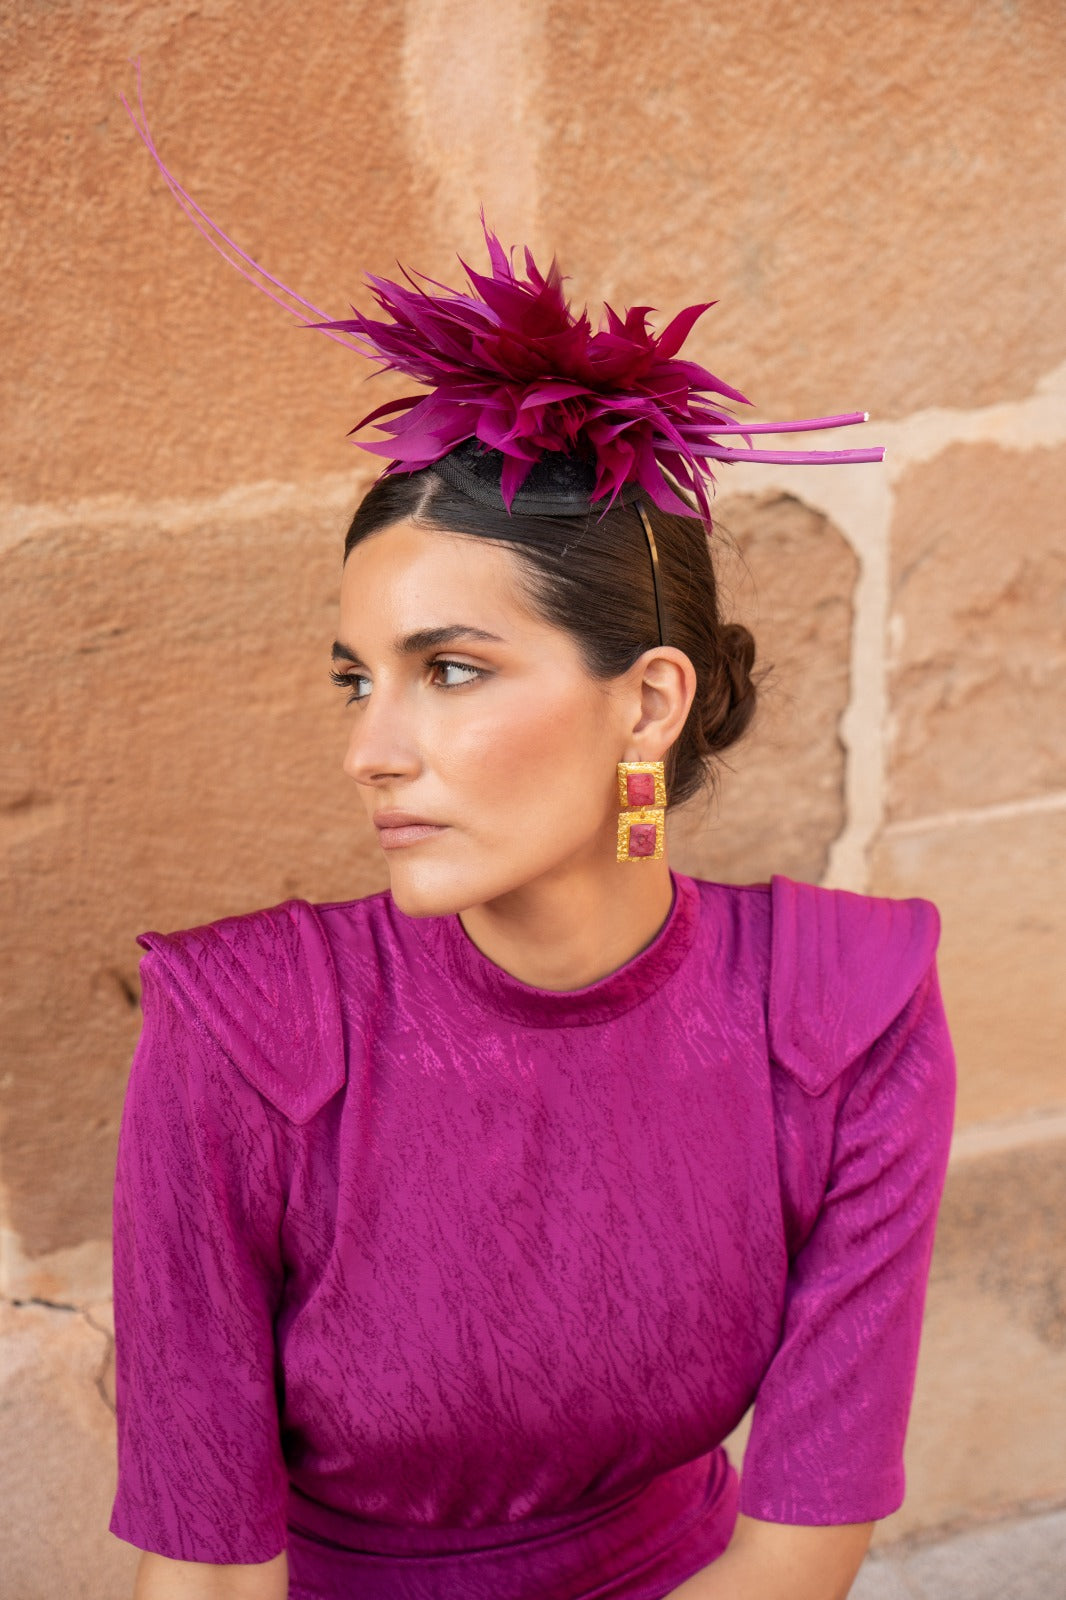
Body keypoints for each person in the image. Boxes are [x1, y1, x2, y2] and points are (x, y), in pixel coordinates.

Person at [109, 91, 957, 1600]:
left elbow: (801, 1547)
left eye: (450, 670)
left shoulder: (841, 1014)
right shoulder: (252, 1034)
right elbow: (209, 1575)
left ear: (648, 703)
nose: (371, 748)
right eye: (357, 680)